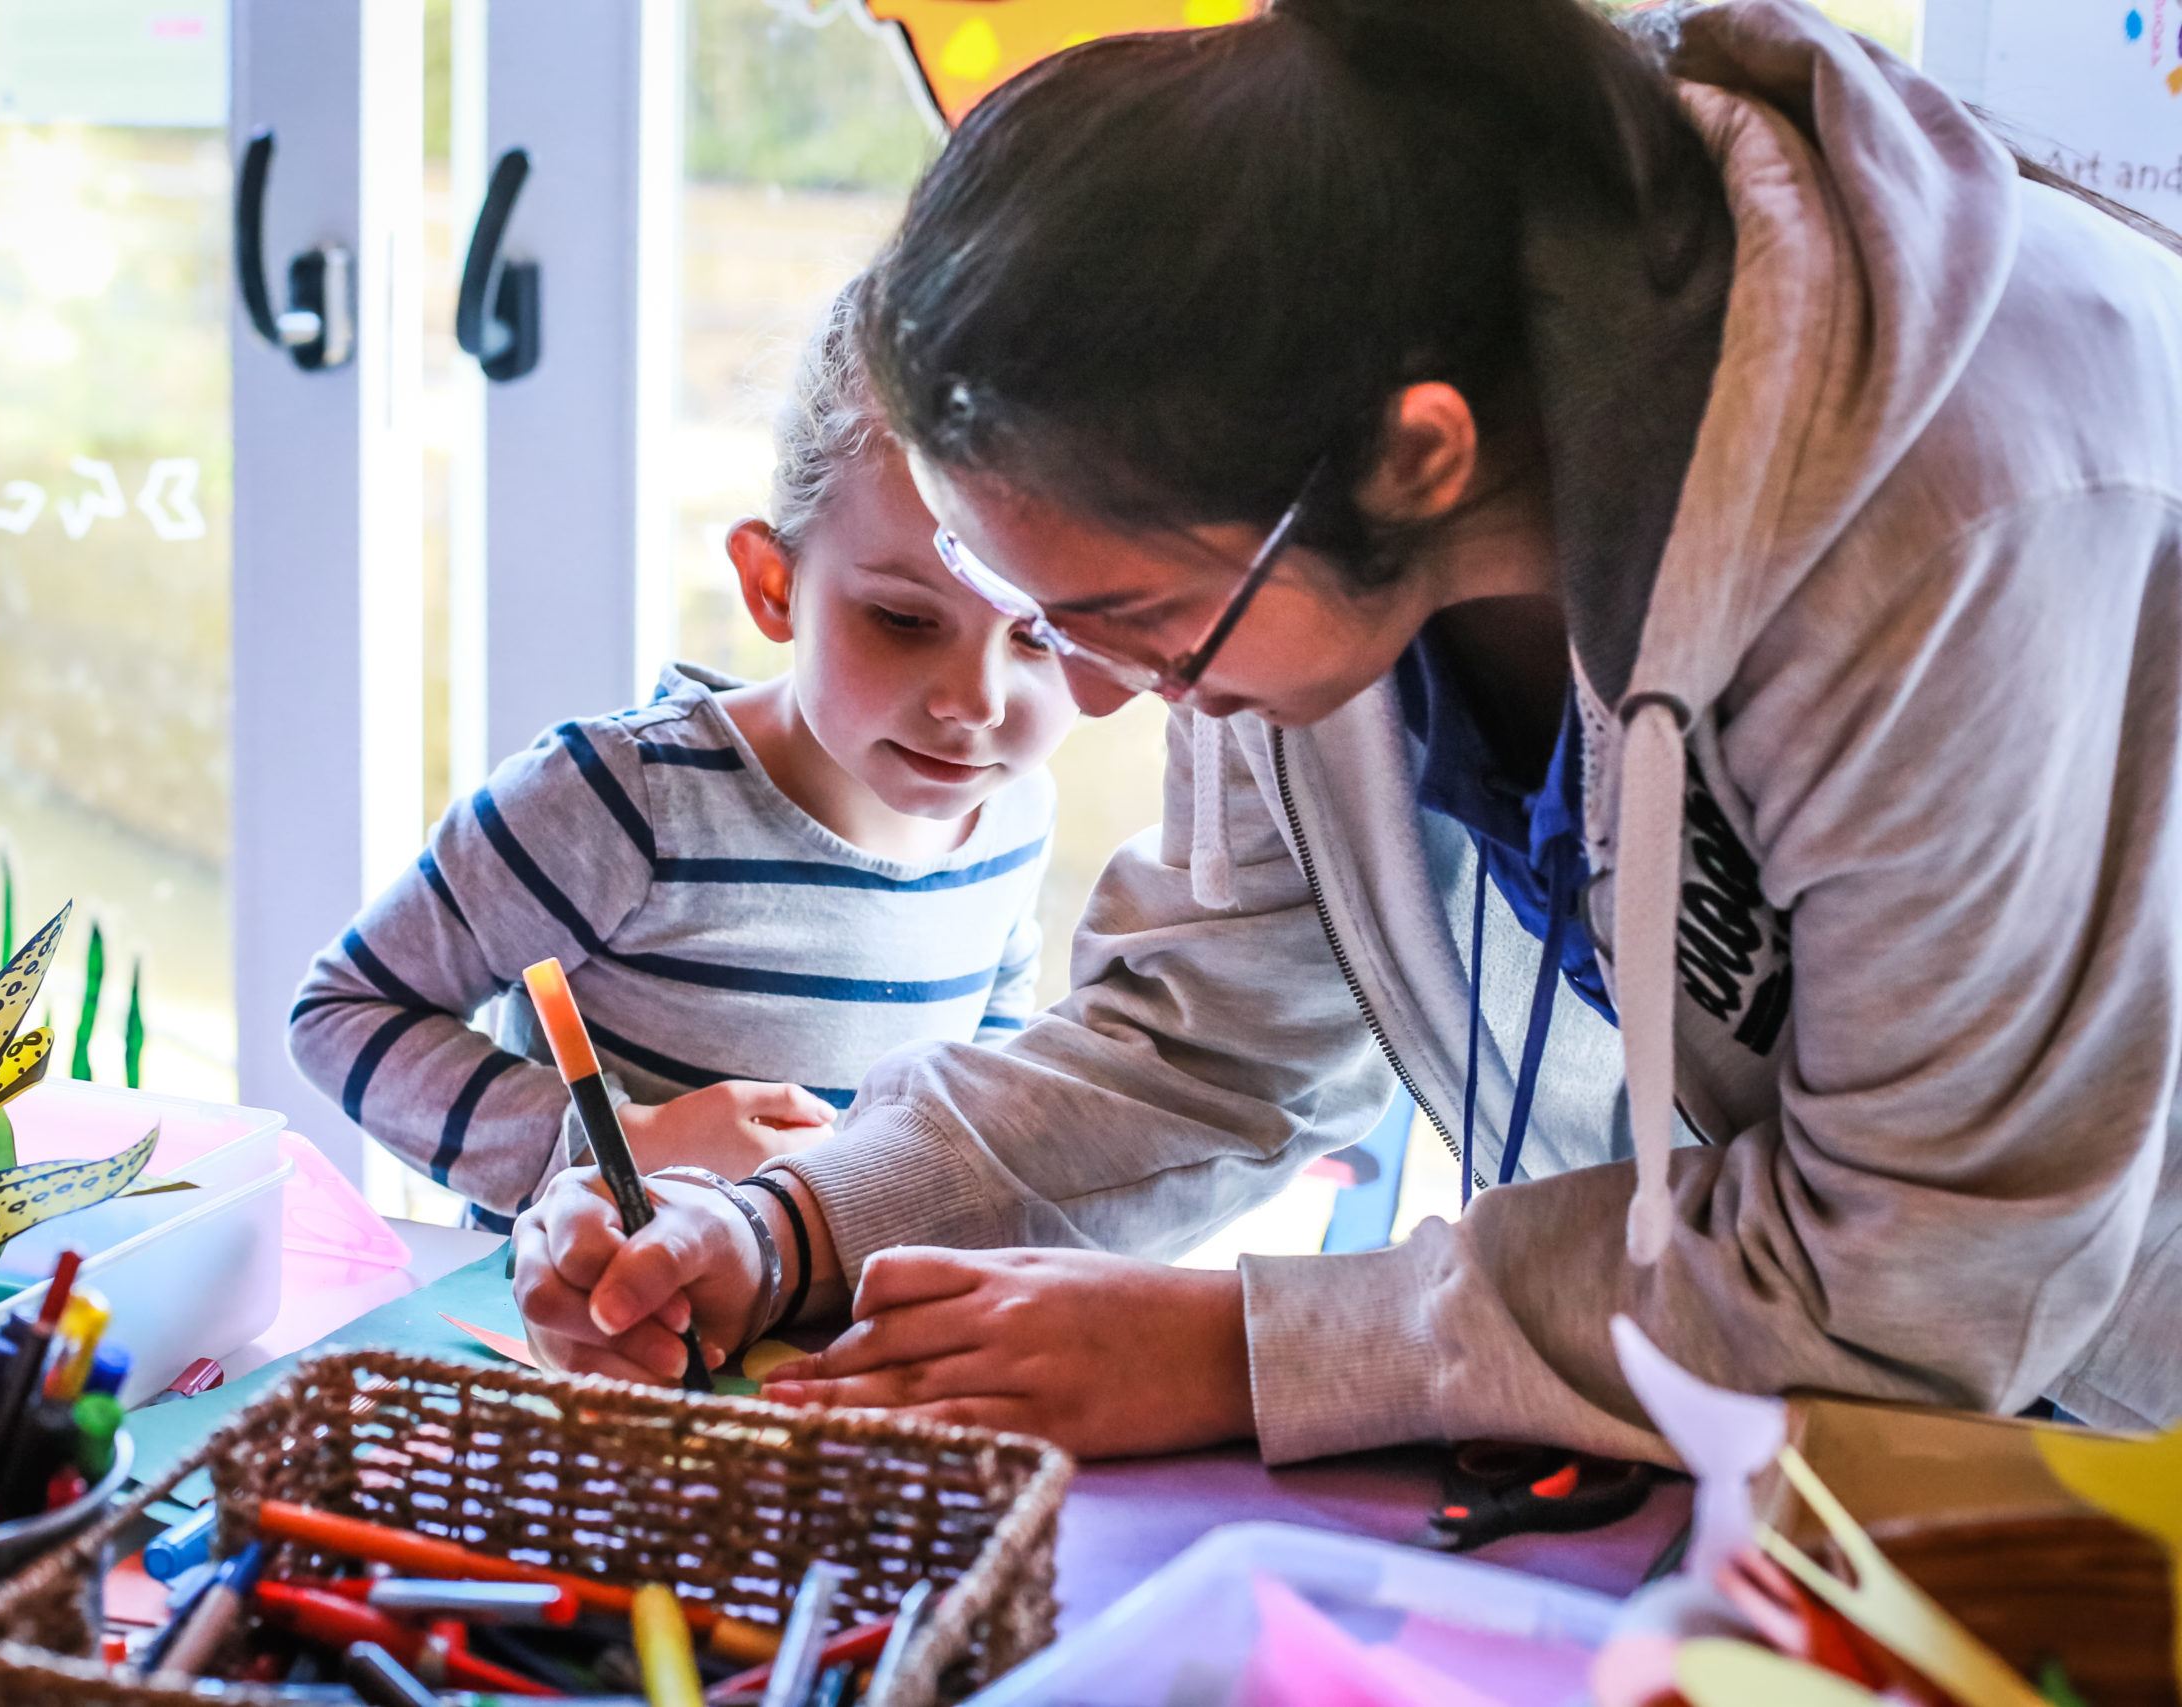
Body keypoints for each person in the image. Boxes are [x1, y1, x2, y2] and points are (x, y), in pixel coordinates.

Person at [511, 0, 2182, 1457]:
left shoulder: (1956, 519)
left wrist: (1253, 1347)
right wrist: (786, 1224)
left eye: (1133, 626)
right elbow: (1204, 1037)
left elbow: (1924, 1270)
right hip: (1833, 1398)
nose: (1088, 697)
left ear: (1420, 457)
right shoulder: (1293, 432)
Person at [291, 286, 1075, 1236]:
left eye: (1042, 635)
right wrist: (632, 1144)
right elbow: (342, 1013)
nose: (976, 702)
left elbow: (981, 1050)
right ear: (774, 584)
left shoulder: (1018, 811)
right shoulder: (614, 799)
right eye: (904, 620)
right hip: (571, 1351)